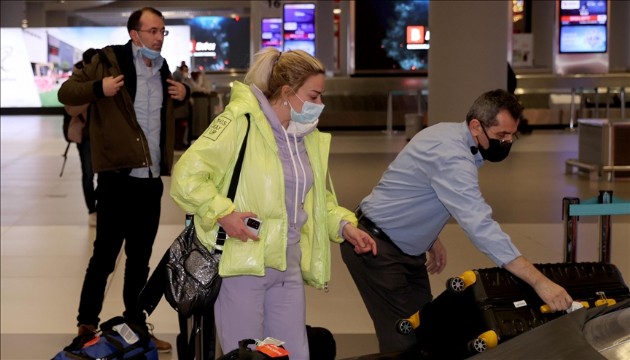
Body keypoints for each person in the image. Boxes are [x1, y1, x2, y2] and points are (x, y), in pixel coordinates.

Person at [170, 47, 377, 359]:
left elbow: (317, 199)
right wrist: (224, 213)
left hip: (287, 265)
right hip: (243, 264)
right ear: (287, 92)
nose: (320, 105)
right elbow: (186, 176)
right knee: (247, 354)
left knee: (293, 353)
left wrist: (345, 226)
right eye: (315, 95)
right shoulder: (238, 123)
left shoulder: (304, 136)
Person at [341, 89, 573, 353]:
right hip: (375, 247)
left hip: (402, 245)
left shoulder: (449, 133)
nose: (508, 142)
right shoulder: (451, 154)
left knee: (428, 329)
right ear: (476, 126)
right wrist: (539, 281)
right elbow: (480, 226)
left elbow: (412, 186)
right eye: (501, 135)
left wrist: (429, 235)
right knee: (404, 342)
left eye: (512, 135)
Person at [57, 7, 190, 353]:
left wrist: (185, 96)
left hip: (149, 180)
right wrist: (98, 88)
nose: (159, 38)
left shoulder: (163, 71)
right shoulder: (106, 61)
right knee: (105, 256)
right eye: (152, 31)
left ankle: (136, 324)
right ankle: (87, 324)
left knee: (140, 257)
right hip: (117, 177)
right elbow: (67, 94)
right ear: (134, 33)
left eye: (163, 32)